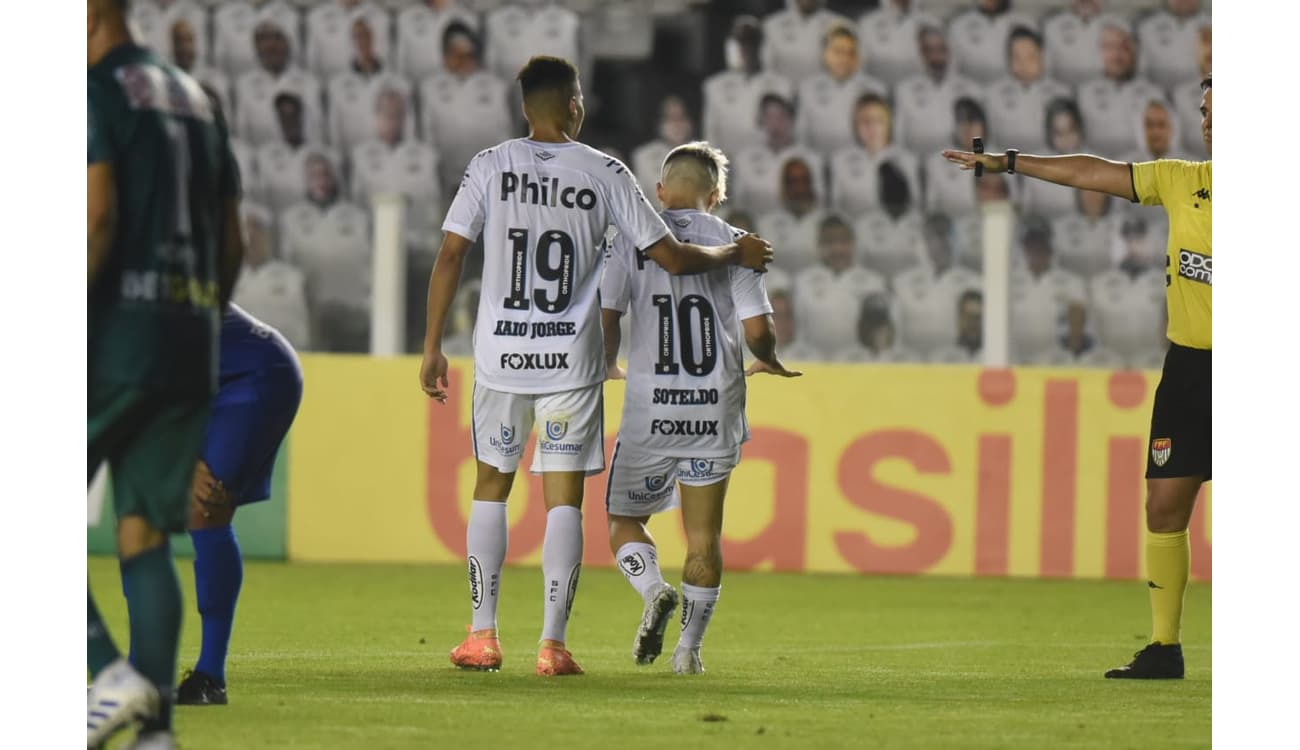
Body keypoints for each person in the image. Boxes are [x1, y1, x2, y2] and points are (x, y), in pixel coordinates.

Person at [417, 56, 772, 677]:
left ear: (525, 106)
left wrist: (430, 345)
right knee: (564, 503)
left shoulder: (489, 164)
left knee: (491, 486)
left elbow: (451, 255)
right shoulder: (605, 171)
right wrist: (733, 250)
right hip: (571, 366)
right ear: (574, 104)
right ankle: (552, 647)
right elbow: (674, 257)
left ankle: (481, 635)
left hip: (501, 357)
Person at [944, 74, 1212, 680]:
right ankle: (1165, 647)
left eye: (1219, 111)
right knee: (1164, 507)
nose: (1208, 122)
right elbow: (1092, 173)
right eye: (1203, 111)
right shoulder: (1183, 181)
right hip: (1191, 367)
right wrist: (1008, 162)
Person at [87, 0, 244, 745]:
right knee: (143, 531)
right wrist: (202, 318)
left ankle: (104, 668)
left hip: (116, 336)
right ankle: (156, 731)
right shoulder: (193, 96)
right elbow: (234, 235)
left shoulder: (96, 88)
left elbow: (96, 219)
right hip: (190, 335)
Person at [601, 142, 801, 673]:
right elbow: (758, 332)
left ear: (661, 191)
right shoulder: (739, 244)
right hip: (715, 406)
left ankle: (652, 592)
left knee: (623, 519)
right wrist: (771, 360)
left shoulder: (630, 236)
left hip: (651, 407)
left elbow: (609, 313)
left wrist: (607, 364)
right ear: (717, 195)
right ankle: (688, 653)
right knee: (704, 535)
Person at [176, 304, 303, 705]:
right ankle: (134, 672)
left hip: (256, 373)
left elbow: (155, 372)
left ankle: (210, 676)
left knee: (206, 508)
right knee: (138, 516)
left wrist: (182, 455)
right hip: (204, 378)